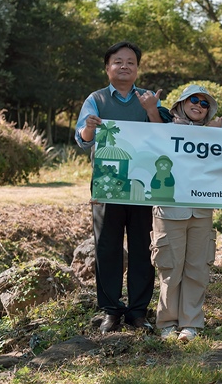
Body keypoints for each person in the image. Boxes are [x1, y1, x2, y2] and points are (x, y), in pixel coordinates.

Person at [75, 41, 170, 334]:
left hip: (142, 187)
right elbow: (83, 138)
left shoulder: (148, 98)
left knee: (143, 247)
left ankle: (138, 312)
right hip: (107, 187)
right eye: (118, 61)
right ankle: (111, 311)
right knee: (107, 247)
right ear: (107, 68)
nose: (124, 66)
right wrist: (90, 127)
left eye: (130, 62)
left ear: (137, 69)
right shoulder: (96, 99)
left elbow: (164, 136)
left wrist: (152, 110)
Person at [151, 85, 222, 342]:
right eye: (193, 100)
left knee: (197, 268)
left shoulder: (216, 133)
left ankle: (191, 323)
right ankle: (167, 323)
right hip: (169, 210)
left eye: (204, 103)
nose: (198, 105)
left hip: (202, 210)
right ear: (181, 103)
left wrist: (219, 132)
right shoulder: (163, 128)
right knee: (170, 267)